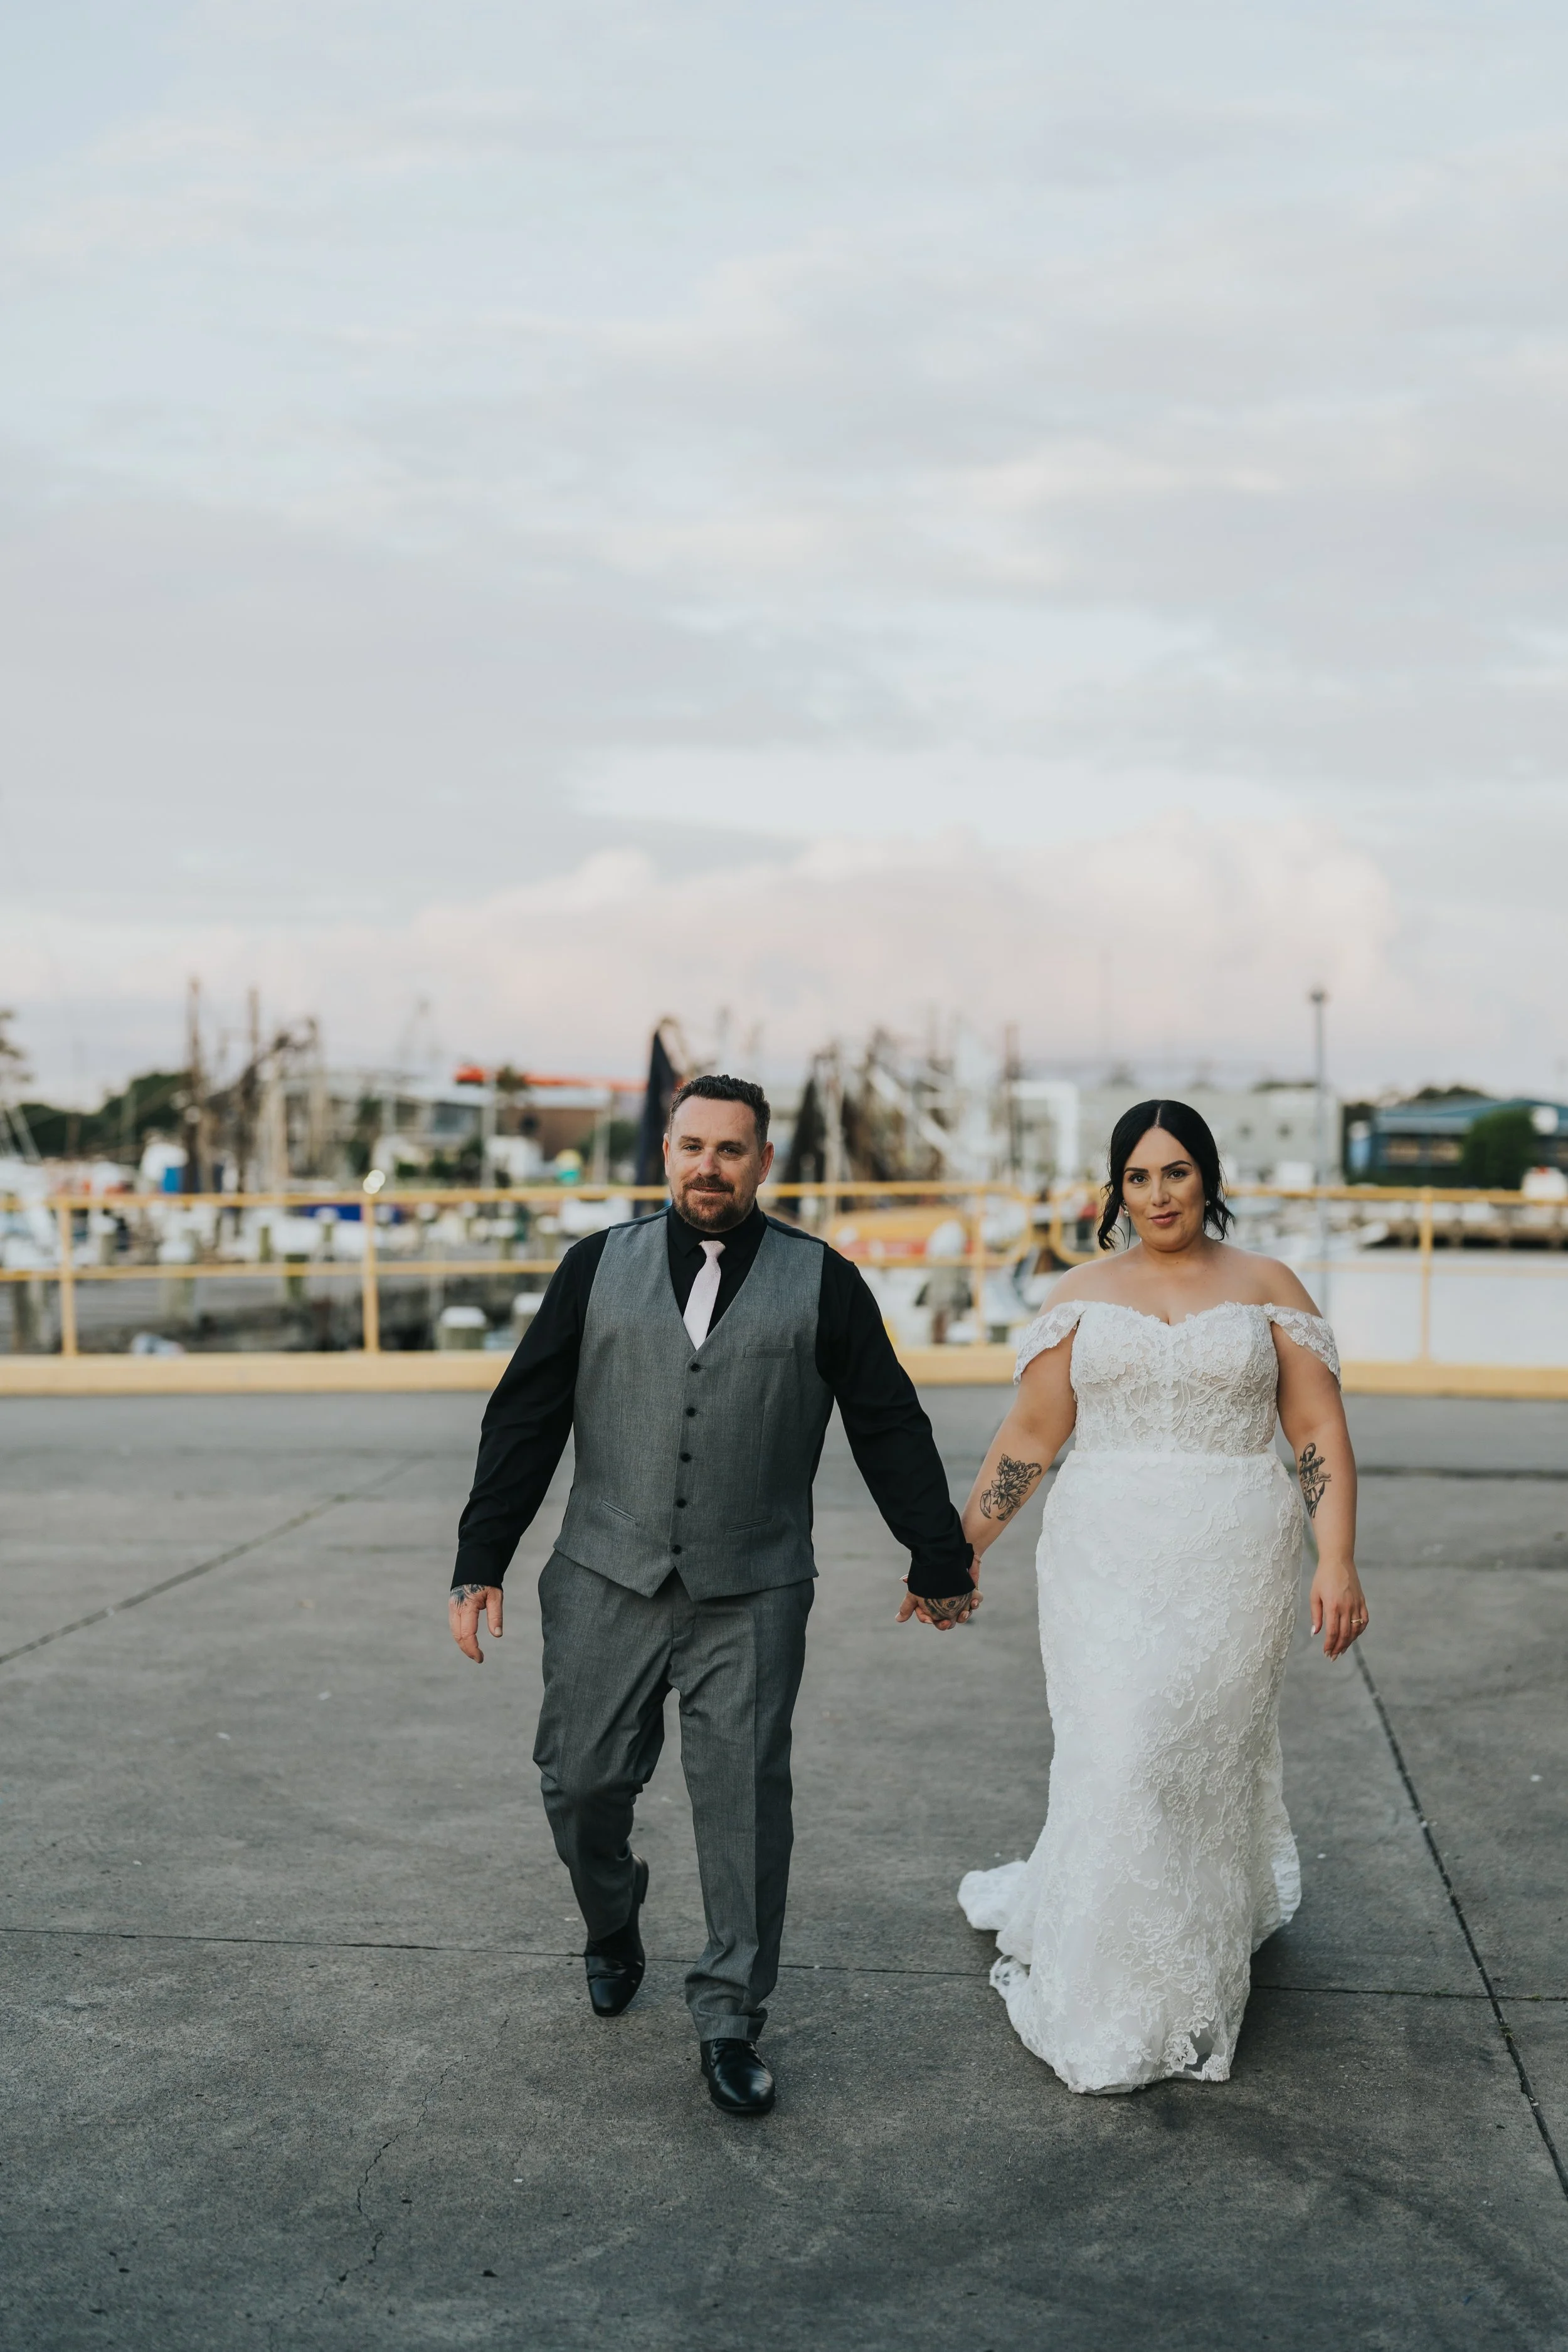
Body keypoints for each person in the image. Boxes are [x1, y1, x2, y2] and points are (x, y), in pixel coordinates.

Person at [448, 1074, 978, 2117]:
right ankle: (612, 1917)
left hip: (754, 1586)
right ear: (667, 1151)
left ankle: (729, 2017)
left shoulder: (823, 1281)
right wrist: (482, 1556)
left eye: (731, 1149)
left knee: (742, 1803)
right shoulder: (595, 1266)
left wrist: (937, 1555)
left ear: (763, 1162)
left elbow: (888, 1421)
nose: (709, 1166)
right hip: (606, 1573)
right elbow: (525, 1415)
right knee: (581, 1782)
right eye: (692, 1145)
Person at [957, 1099, 1367, 2095]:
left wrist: (1337, 1558)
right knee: (1124, 1752)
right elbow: (1029, 1437)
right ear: (1116, 1189)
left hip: (1234, 1551)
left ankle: (1195, 1938)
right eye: (1138, 1177)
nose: (1158, 1194)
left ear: (1208, 1177)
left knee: (1196, 1755)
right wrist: (959, 1551)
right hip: (1104, 1553)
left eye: (1176, 1172)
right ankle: (1115, 1985)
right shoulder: (1081, 1293)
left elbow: (1314, 1427)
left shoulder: (1269, 1288)